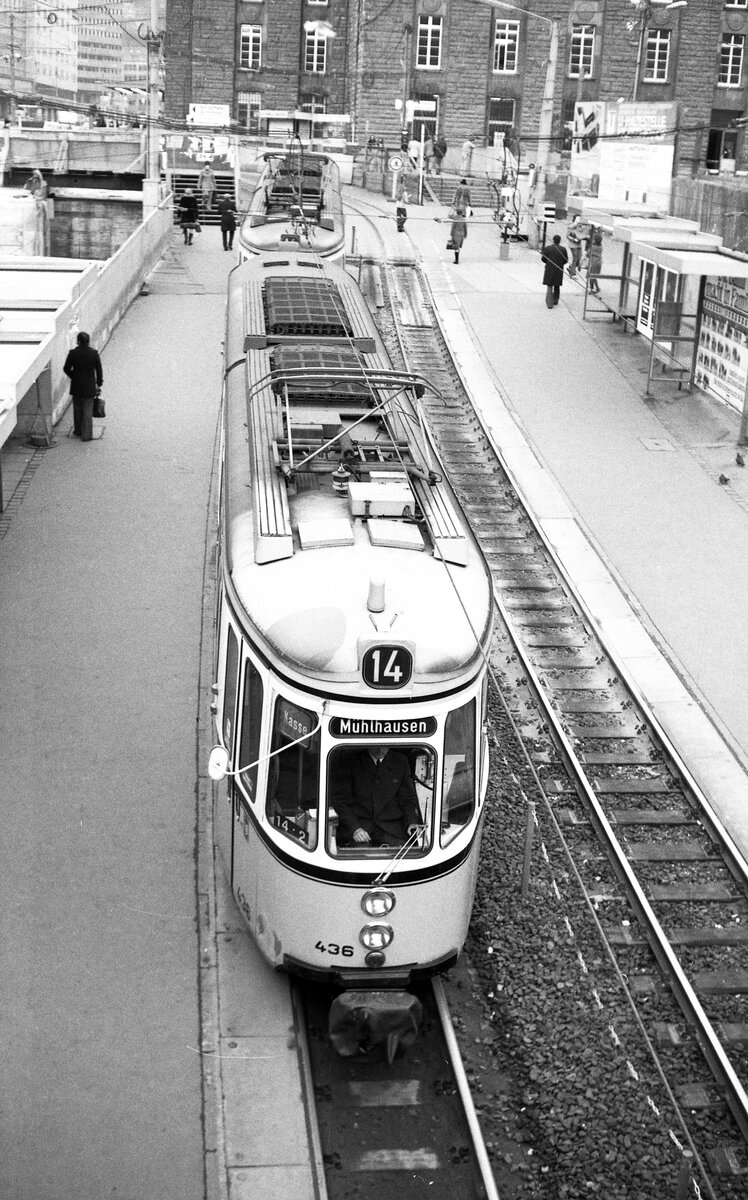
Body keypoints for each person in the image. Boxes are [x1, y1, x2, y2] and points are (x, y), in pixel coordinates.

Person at [333, 746, 421, 848]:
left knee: (407, 854)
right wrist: (355, 828)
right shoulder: (352, 761)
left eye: (384, 746)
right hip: (360, 828)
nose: (380, 750)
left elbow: (408, 798)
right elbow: (341, 801)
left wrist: (412, 822)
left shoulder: (400, 761)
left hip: (391, 829)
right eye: (376, 746)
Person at [63, 331, 103, 442]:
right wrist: (99, 384)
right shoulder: (94, 353)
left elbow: (66, 368)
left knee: (77, 408)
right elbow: (99, 370)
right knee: (88, 410)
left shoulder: (73, 353)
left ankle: (78, 430)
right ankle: (87, 435)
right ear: (88, 341)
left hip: (76, 385)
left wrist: (74, 376)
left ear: (78, 341)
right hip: (89, 386)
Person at [541, 234, 569, 308]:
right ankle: (555, 300)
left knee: (549, 285)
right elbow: (566, 260)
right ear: (559, 241)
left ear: (553, 240)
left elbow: (543, 259)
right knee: (557, 285)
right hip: (559, 268)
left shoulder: (547, 248)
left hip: (549, 268)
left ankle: (549, 303)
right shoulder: (563, 249)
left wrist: (548, 262)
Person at [566, 213, 584, 278]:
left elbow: (583, 234)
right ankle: (572, 274)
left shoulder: (580, 227)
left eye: (580, 218)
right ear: (575, 219)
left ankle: (571, 267)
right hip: (573, 245)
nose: (579, 220)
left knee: (580, 258)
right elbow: (567, 236)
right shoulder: (571, 226)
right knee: (575, 258)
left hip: (579, 244)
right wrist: (573, 239)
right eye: (578, 218)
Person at [587, 227, 603, 294]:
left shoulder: (593, 247)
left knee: (591, 275)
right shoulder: (600, 247)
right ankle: (597, 287)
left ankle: (591, 289)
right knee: (594, 275)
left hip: (593, 262)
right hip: (599, 262)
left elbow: (588, 254)